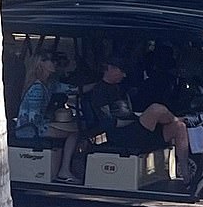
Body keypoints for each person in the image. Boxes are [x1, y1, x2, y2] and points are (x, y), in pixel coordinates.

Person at [90, 56, 193, 186]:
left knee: (180, 127)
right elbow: (108, 122)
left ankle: (186, 175)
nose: (124, 74)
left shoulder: (120, 88)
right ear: (110, 69)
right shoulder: (99, 91)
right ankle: (176, 118)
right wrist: (135, 119)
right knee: (156, 109)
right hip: (121, 133)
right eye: (121, 71)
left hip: (137, 129)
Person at [16, 50, 81, 184]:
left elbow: (72, 89)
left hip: (37, 125)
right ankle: (64, 170)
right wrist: (53, 122)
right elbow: (34, 118)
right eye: (51, 60)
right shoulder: (37, 88)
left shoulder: (49, 85)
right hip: (29, 128)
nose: (54, 63)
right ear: (41, 64)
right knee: (73, 133)